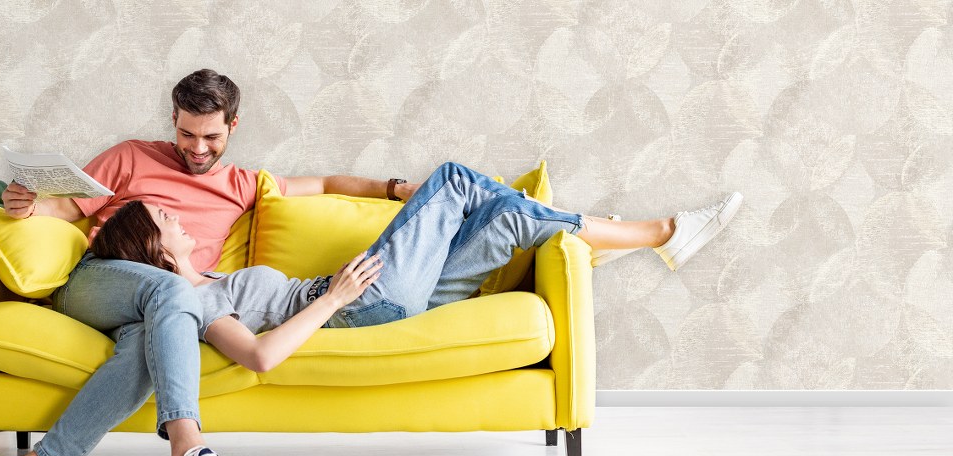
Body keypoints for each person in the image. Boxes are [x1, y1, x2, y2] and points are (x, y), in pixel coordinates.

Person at [0, 69, 420, 456]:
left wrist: (396, 189)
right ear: (173, 119)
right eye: (187, 133)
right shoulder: (130, 156)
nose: (197, 148)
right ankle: (188, 452)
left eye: (211, 136)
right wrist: (27, 208)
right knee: (172, 290)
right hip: (99, 281)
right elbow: (65, 209)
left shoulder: (241, 184)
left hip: (167, 310)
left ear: (233, 126)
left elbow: (325, 184)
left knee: (148, 341)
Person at [89, 162, 742, 373]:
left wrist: (393, 193)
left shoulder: (206, 280)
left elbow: (316, 182)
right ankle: (659, 232)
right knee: (454, 178)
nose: (178, 217)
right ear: (157, 250)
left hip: (396, 300)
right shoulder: (194, 303)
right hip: (361, 301)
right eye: (165, 219)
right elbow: (259, 357)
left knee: (510, 219)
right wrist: (333, 297)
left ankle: (639, 238)